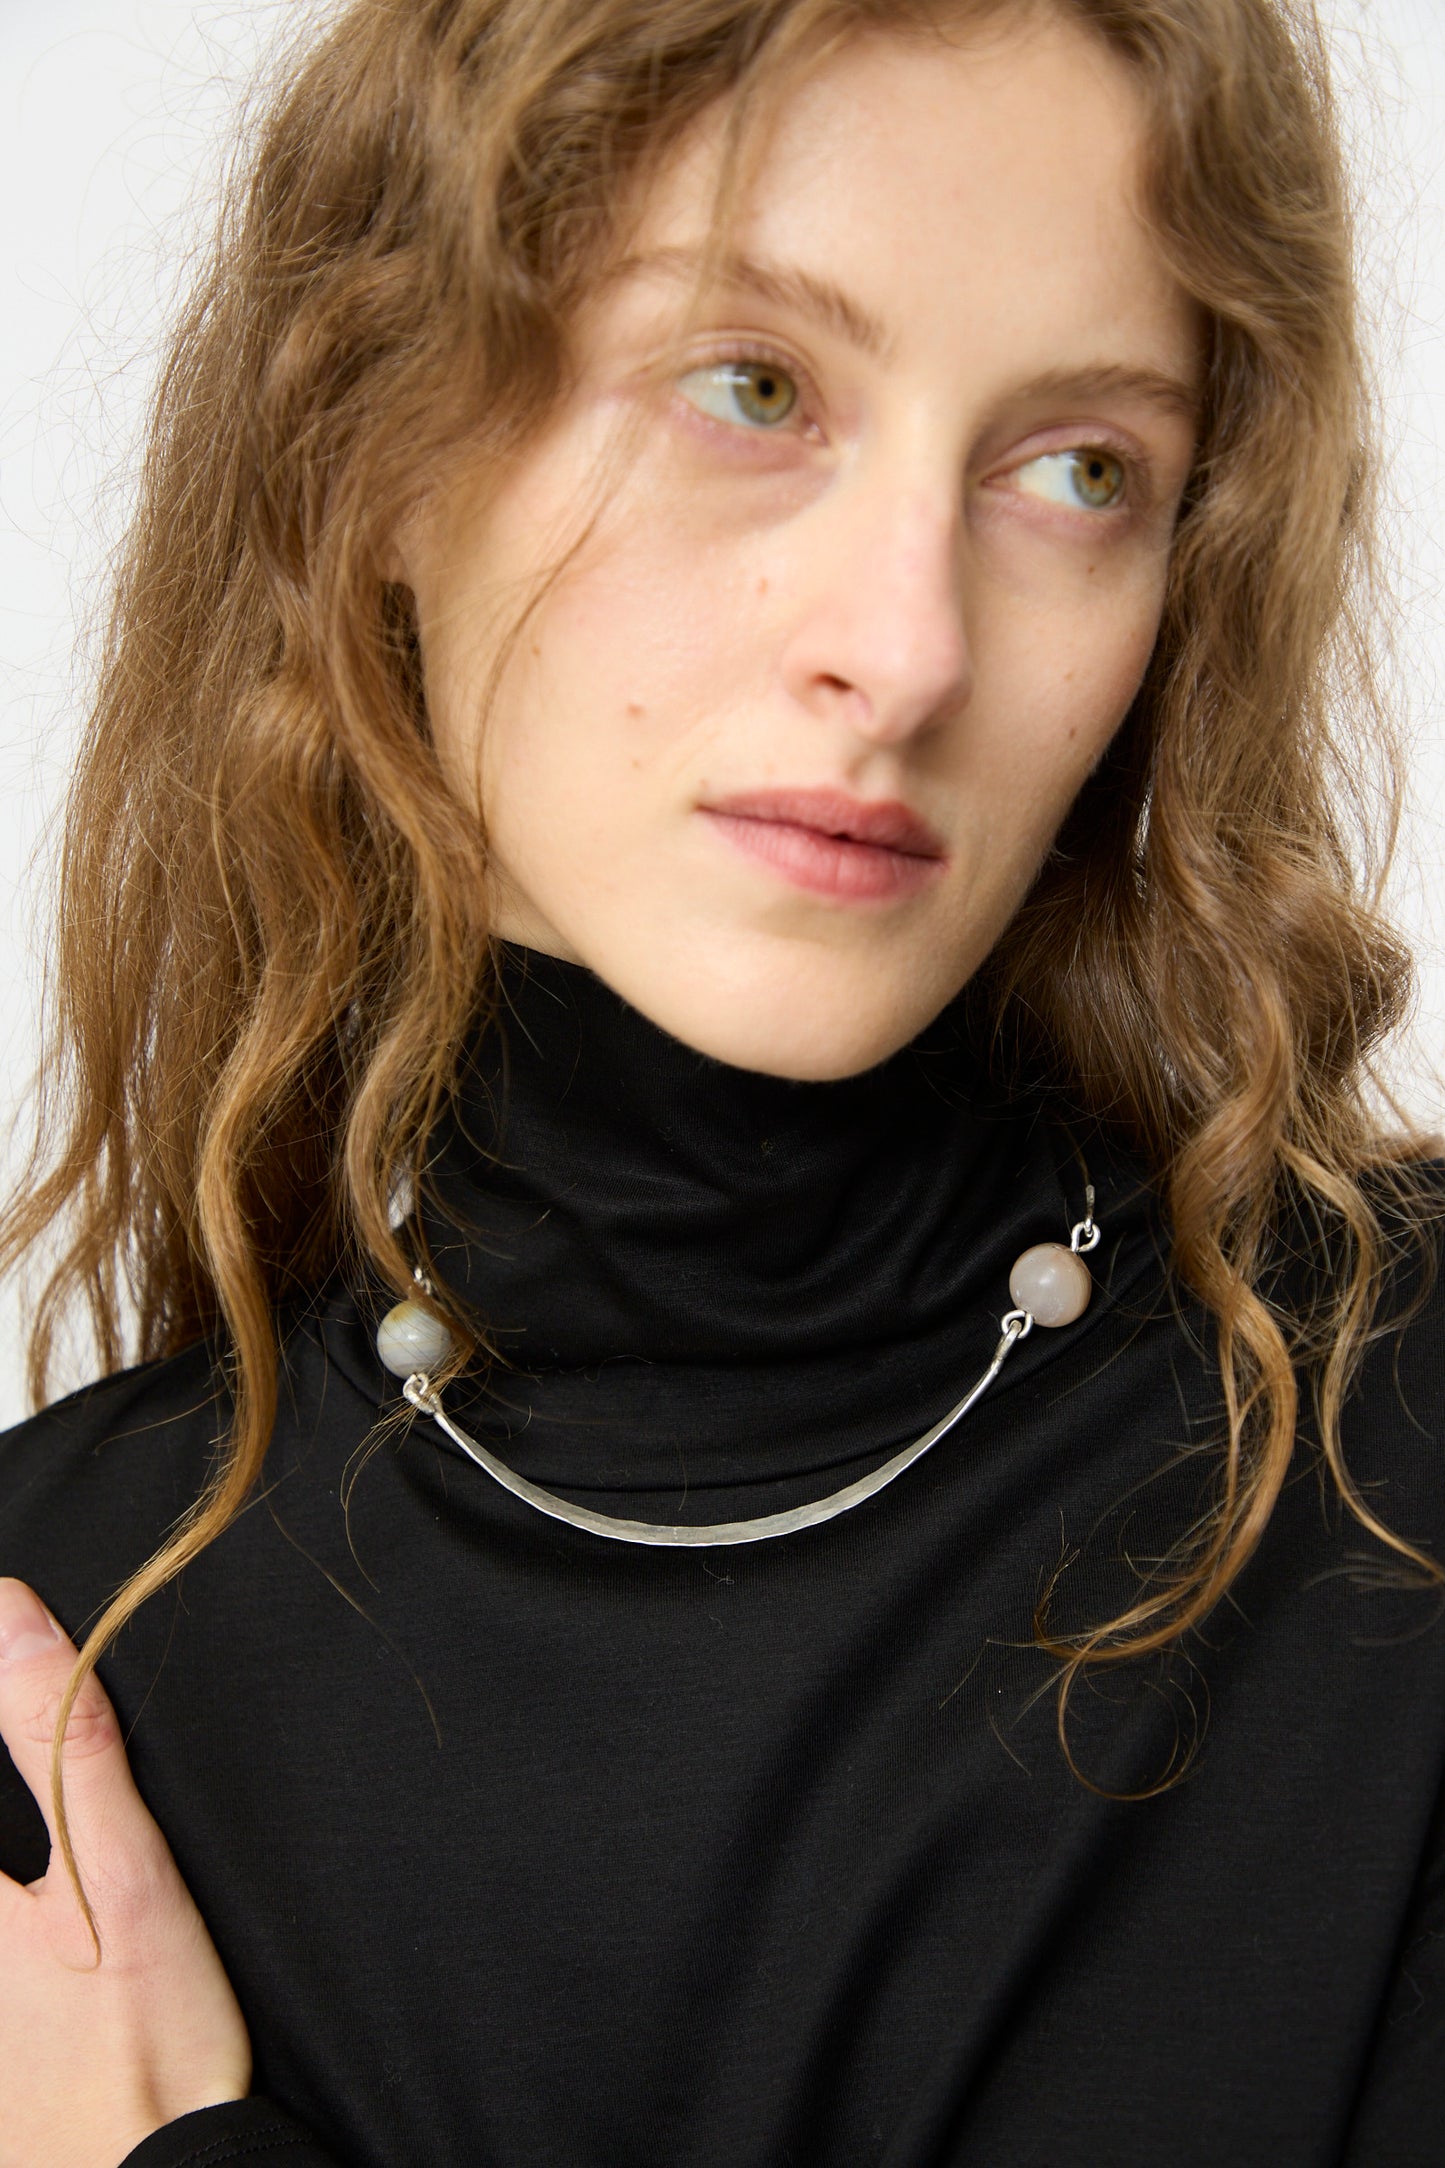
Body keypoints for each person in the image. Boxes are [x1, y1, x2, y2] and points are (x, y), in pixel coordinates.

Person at [1, 0, 1442, 2160]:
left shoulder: (1398, 1463)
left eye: (1082, 470)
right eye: (753, 388)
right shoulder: (60, 1654)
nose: (912, 643)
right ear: (376, 445)